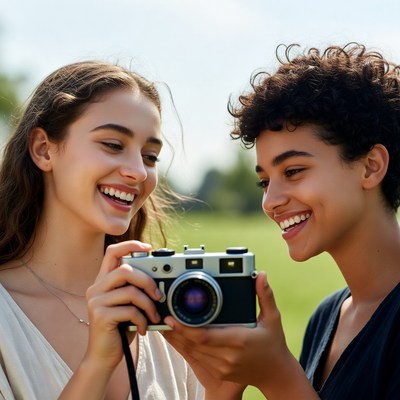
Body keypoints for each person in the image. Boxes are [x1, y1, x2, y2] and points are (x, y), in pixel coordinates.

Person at [163, 43, 400, 399]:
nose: (270, 201)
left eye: (293, 171)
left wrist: (278, 376)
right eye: (264, 181)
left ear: (371, 166)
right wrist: (221, 391)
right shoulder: (329, 316)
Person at [0, 60, 239, 400]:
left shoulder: (169, 308)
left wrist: (222, 391)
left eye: (151, 156)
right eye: (113, 145)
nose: (139, 172)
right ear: (43, 149)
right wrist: (97, 364)